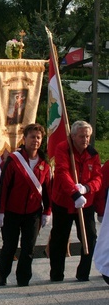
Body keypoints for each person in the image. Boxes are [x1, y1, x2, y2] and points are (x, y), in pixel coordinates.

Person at [0, 123, 51, 286]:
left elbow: (47, 189)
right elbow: (3, 187)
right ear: (24, 139)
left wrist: (47, 210)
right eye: (32, 137)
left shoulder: (45, 163)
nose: (35, 140)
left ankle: (23, 278)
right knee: (9, 246)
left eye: (38, 137)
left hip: (33, 213)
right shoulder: (13, 160)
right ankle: (3, 274)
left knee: (28, 248)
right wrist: (0, 211)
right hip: (12, 211)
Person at [49, 120, 102, 282]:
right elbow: (62, 172)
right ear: (72, 136)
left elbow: (98, 177)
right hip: (64, 202)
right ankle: (57, 274)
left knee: (90, 237)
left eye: (87, 136)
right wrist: (74, 192)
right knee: (60, 238)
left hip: (86, 202)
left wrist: (85, 188)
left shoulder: (93, 154)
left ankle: (83, 273)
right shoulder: (63, 148)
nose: (85, 139)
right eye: (81, 136)